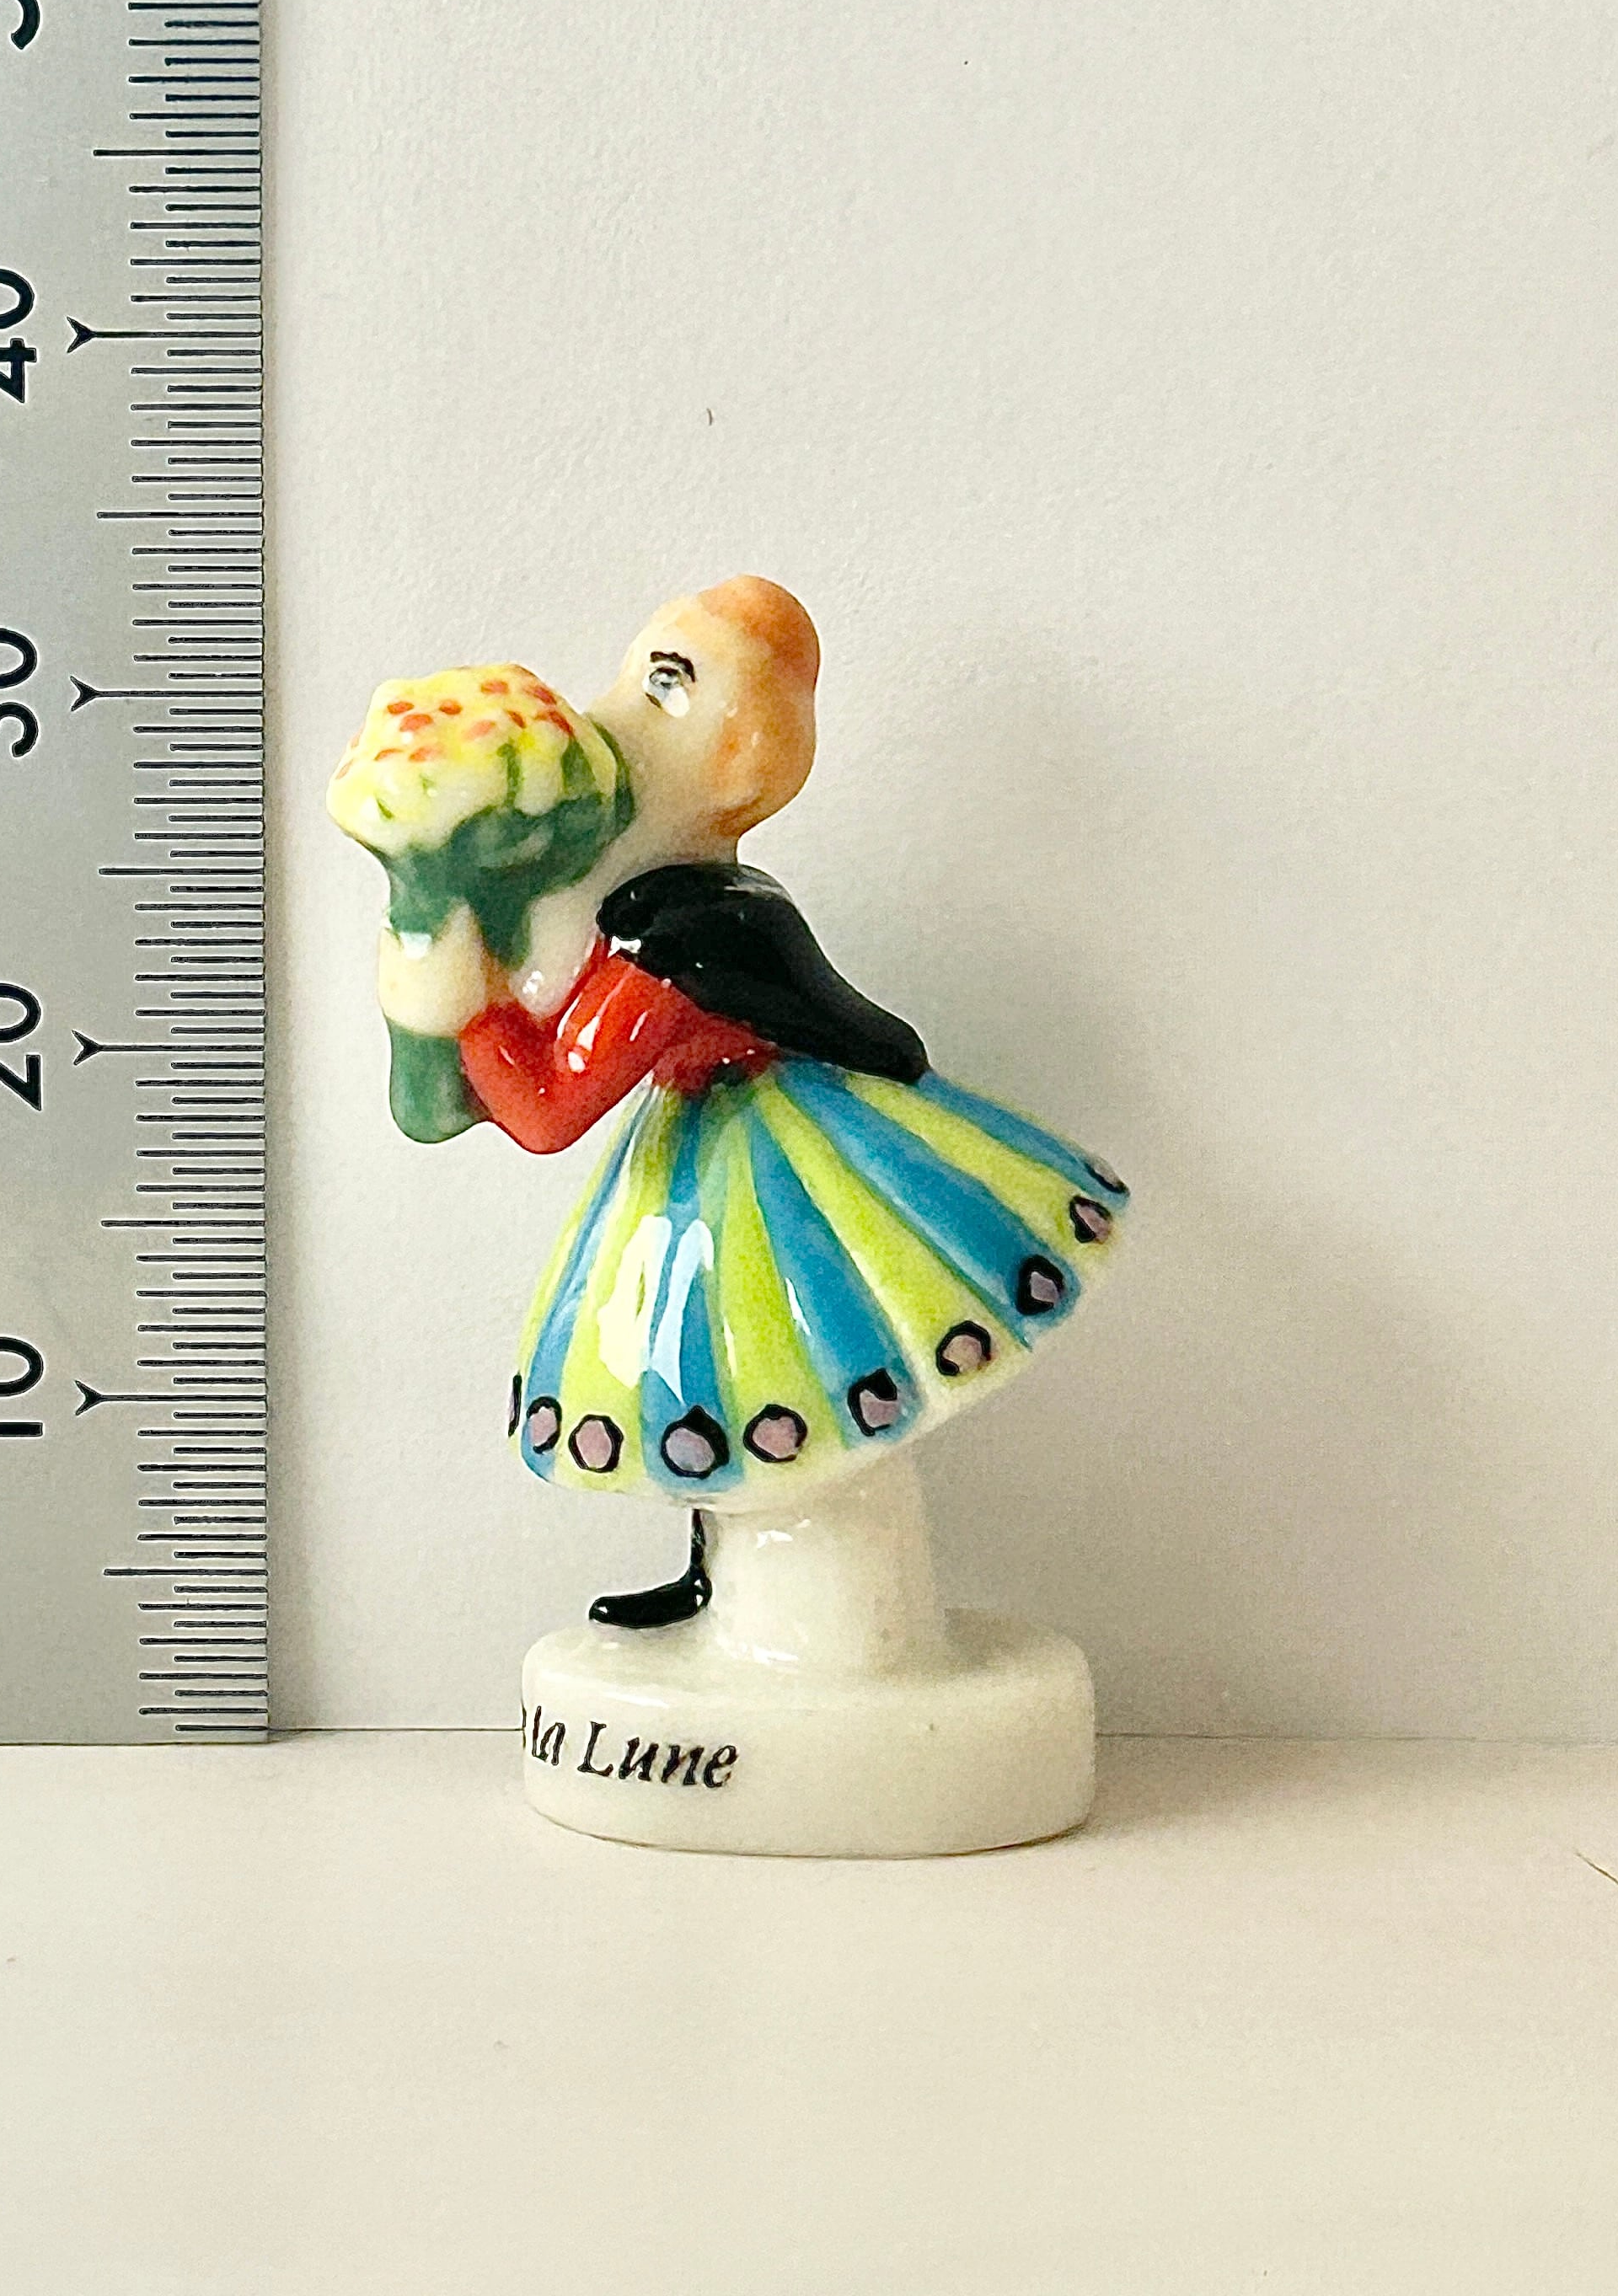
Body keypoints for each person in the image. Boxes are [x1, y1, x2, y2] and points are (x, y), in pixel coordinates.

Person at [372, 577, 1128, 1628]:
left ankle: (810, 1604)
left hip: (775, 1153)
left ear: (739, 759)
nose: (616, 712)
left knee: (768, 1348)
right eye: (632, 675)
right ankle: (721, 1576)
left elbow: (547, 1112)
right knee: (710, 1358)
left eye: (666, 686)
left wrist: (468, 1000)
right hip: (713, 1132)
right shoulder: (661, 908)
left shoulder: (680, 933)